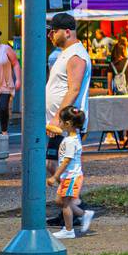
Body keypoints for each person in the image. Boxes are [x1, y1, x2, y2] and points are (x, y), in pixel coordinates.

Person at [45, 12, 92, 178]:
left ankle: (73, 202)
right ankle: (70, 201)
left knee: (65, 166)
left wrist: (58, 117)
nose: (50, 35)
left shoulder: (76, 56)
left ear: (67, 32)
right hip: (60, 122)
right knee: (53, 164)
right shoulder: (64, 53)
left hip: (67, 122)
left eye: (53, 31)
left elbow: (74, 89)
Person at [47, 106, 94, 239]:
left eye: (61, 121)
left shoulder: (69, 142)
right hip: (70, 176)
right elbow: (58, 130)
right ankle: (84, 215)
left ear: (68, 124)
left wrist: (54, 176)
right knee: (60, 201)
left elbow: (66, 161)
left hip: (70, 177)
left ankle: (68, 230)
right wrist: (48, 126)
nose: (59, 124)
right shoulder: (74, 135)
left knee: (65, 203)